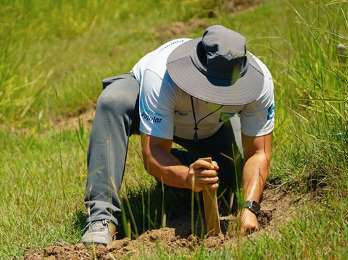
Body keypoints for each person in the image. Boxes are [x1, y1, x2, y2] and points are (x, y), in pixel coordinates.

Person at [81, 24, 274, 245]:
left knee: (231, 181)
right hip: (151, 109)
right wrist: (187, 177)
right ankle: (101, 217)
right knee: (113, 101)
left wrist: (250, 208)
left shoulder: (261, 82)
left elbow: (258, 152)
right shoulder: (161, 75)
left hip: (211, 128)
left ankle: (180, 173)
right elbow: (153, 154)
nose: (220, 96)